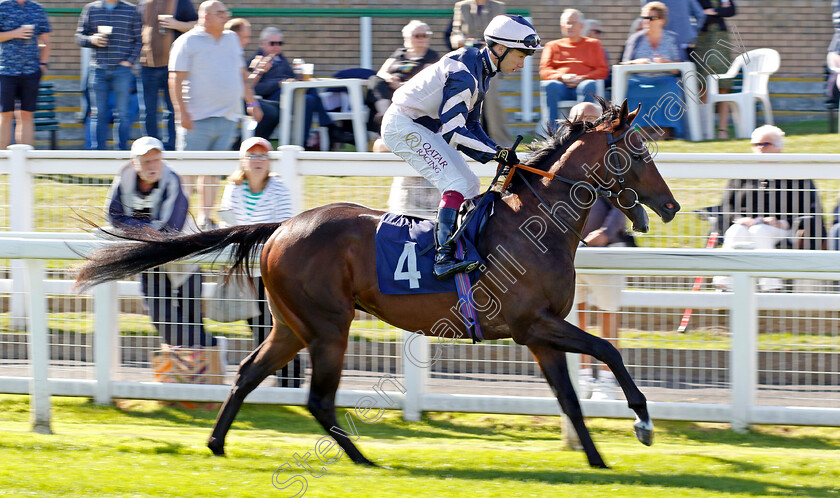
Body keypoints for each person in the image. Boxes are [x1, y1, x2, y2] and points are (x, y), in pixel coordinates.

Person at [381, 14, 541, 280]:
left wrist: (498, 151)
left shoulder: (481, 69)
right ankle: (442, 257)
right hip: (402, 125)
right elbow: (454, 132)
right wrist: (494, 153)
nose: (522, 64)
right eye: (520, 56)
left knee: (469, 183)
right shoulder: (466, 74)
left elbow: (472, 125)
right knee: (455, 182)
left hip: (421, 126)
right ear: (500, 49)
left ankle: (459, 247)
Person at [106, 136, 218, 349]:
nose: (153, 166)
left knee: (192, 321)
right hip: (149, 259)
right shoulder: (124, 179)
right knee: (162, 319)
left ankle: (209, 356)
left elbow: (171, 229)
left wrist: (136, 228)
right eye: (146, 161)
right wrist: (143, 228)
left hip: (184, 259)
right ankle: (190, 362)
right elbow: (113, 216)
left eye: (156, 160)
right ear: (134, 163)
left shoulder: (172, 180)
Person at [217, 136, 303, 387]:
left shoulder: (279, 188)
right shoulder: (234, 188)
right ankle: (276, 379)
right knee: (257, 326)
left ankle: (292, 381)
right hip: (246, 269)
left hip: (272, 269)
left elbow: (286, 226)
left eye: (263, 156)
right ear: (243, 161)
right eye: (252, 155)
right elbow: (227, 222)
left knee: (283, 326)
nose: (258, 161)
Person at [168, 0, 261, 230]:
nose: (225, 16)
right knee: (187, 172)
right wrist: (182, 112)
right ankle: (178, 220)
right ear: (206, 17)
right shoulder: (187, 41)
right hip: (196, 118)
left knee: (212, 173)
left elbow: (241, 72)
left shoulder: (231, 39)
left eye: (225, 12)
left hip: (228, 117)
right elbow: (175, 79)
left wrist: (251, 100)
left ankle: (205, 218)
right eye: (220, 13)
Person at [714, 125, 826, 291]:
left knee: (760, 231)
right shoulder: (741, 175)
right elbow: (726, 206)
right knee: (734, 231)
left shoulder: (796, 175)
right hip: (746, 226)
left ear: (779, 148)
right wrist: (739, 218)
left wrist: (784, 222)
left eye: (765, 144)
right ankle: (725, 286)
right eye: (756, 145)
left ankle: (772, 287)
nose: (760, 149)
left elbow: (811, 210)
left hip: (783, 228)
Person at [248, 26, 350, 148]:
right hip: (273, 100)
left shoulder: (281, 59)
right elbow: (253, 87)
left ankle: (305, 142)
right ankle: (329, 128)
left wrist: (297, 78)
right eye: (272, 43)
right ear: (262, 43)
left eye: (279, 43)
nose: (276, 46)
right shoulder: (255, 61)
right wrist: (278, 84)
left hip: (290, 93)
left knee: (310, 95)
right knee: (308, 98)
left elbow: (289, 76)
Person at [75, 0, 143, 150]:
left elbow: (139, 40)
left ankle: (121, 152)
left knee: (123, 114)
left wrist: (129, 61)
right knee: (98, 114)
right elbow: (79, 36)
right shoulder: (91, 9)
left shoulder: (131, 10)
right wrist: (91, 39)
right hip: (98, 68)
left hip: (122, 70)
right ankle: (98, 154)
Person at [137, 0, 197, 151]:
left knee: (172, 110)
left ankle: (171, 147)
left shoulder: (181, 3)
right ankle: (151, 147)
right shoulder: (143, 3)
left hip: (173, 67)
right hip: (147, 65)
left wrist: (176, 24)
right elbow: (136, 29)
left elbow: (198, 25)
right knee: (148, 111)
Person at [621, 1, 687, 140]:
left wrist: (666, 62)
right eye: (644, 17)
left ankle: (666, 130)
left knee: (671, 87)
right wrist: (636, 62)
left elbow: (680, 67)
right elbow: (624, 64)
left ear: (662, 20)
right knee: (632, 88)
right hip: (640, 79)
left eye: (651, 18)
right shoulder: (636, 39)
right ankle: (639, 131)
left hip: (664, 79)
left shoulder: (672, 39)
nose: (647, 21)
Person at [450, 0, 512, 145]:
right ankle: (466, 140)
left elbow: (502, 33)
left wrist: (490, 43)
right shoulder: (462, 6)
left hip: (491, 58)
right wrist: (461, 40)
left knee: (491, 100)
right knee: (466, 97)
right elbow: (455, 32)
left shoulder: (498, 6)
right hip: (469, 57)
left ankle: (502, 142)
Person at [539, 9, 608, 131]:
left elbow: (602, 70)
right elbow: (544, 70)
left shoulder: (593, 44)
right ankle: (553, 133)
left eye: (573, 23)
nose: (569, 26)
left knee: (589, 84)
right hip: (560, 86)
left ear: (581, 26)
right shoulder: (552, 45)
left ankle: (582, 131)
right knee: (549, 85)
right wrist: (562, 76)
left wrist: (583, 77)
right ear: (561, 26)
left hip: (584, 84)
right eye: (566, 23)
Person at [0, 0, 51, 150]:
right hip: (5, 71)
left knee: (26, 115)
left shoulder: (37, 9)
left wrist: (42, 64)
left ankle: (27, 162)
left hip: (30, 71)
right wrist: (14, 33)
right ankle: (2, 163)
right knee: (5, 115)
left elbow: (46, 41)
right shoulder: (2, 6)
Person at [371, 20, 440, 120]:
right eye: (417, 36)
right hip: (389, 88)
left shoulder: (431, 56)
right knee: (375, 79)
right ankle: (384, 114)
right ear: (407, 38)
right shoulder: (399, 53)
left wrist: (403, 85)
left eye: (424, 35)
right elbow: (382, 72)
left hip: (413, 91)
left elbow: (426, 77)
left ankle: (387, 119)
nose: (421, 39)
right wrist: (390, 78)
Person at [694, 0, 736, 140]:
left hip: (720, 40)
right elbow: (696, 14)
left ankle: (722, 130)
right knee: (702, 85)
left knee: (724, 85)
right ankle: (705, 129)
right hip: (702, 39)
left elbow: (731, 10)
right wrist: (717, 11)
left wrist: (712, 12)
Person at [641, 0, 705, 60]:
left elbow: (646, 16)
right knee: (688, 70)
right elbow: (700, 15)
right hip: (685, 42)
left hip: (662, 45)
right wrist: (693, 32)